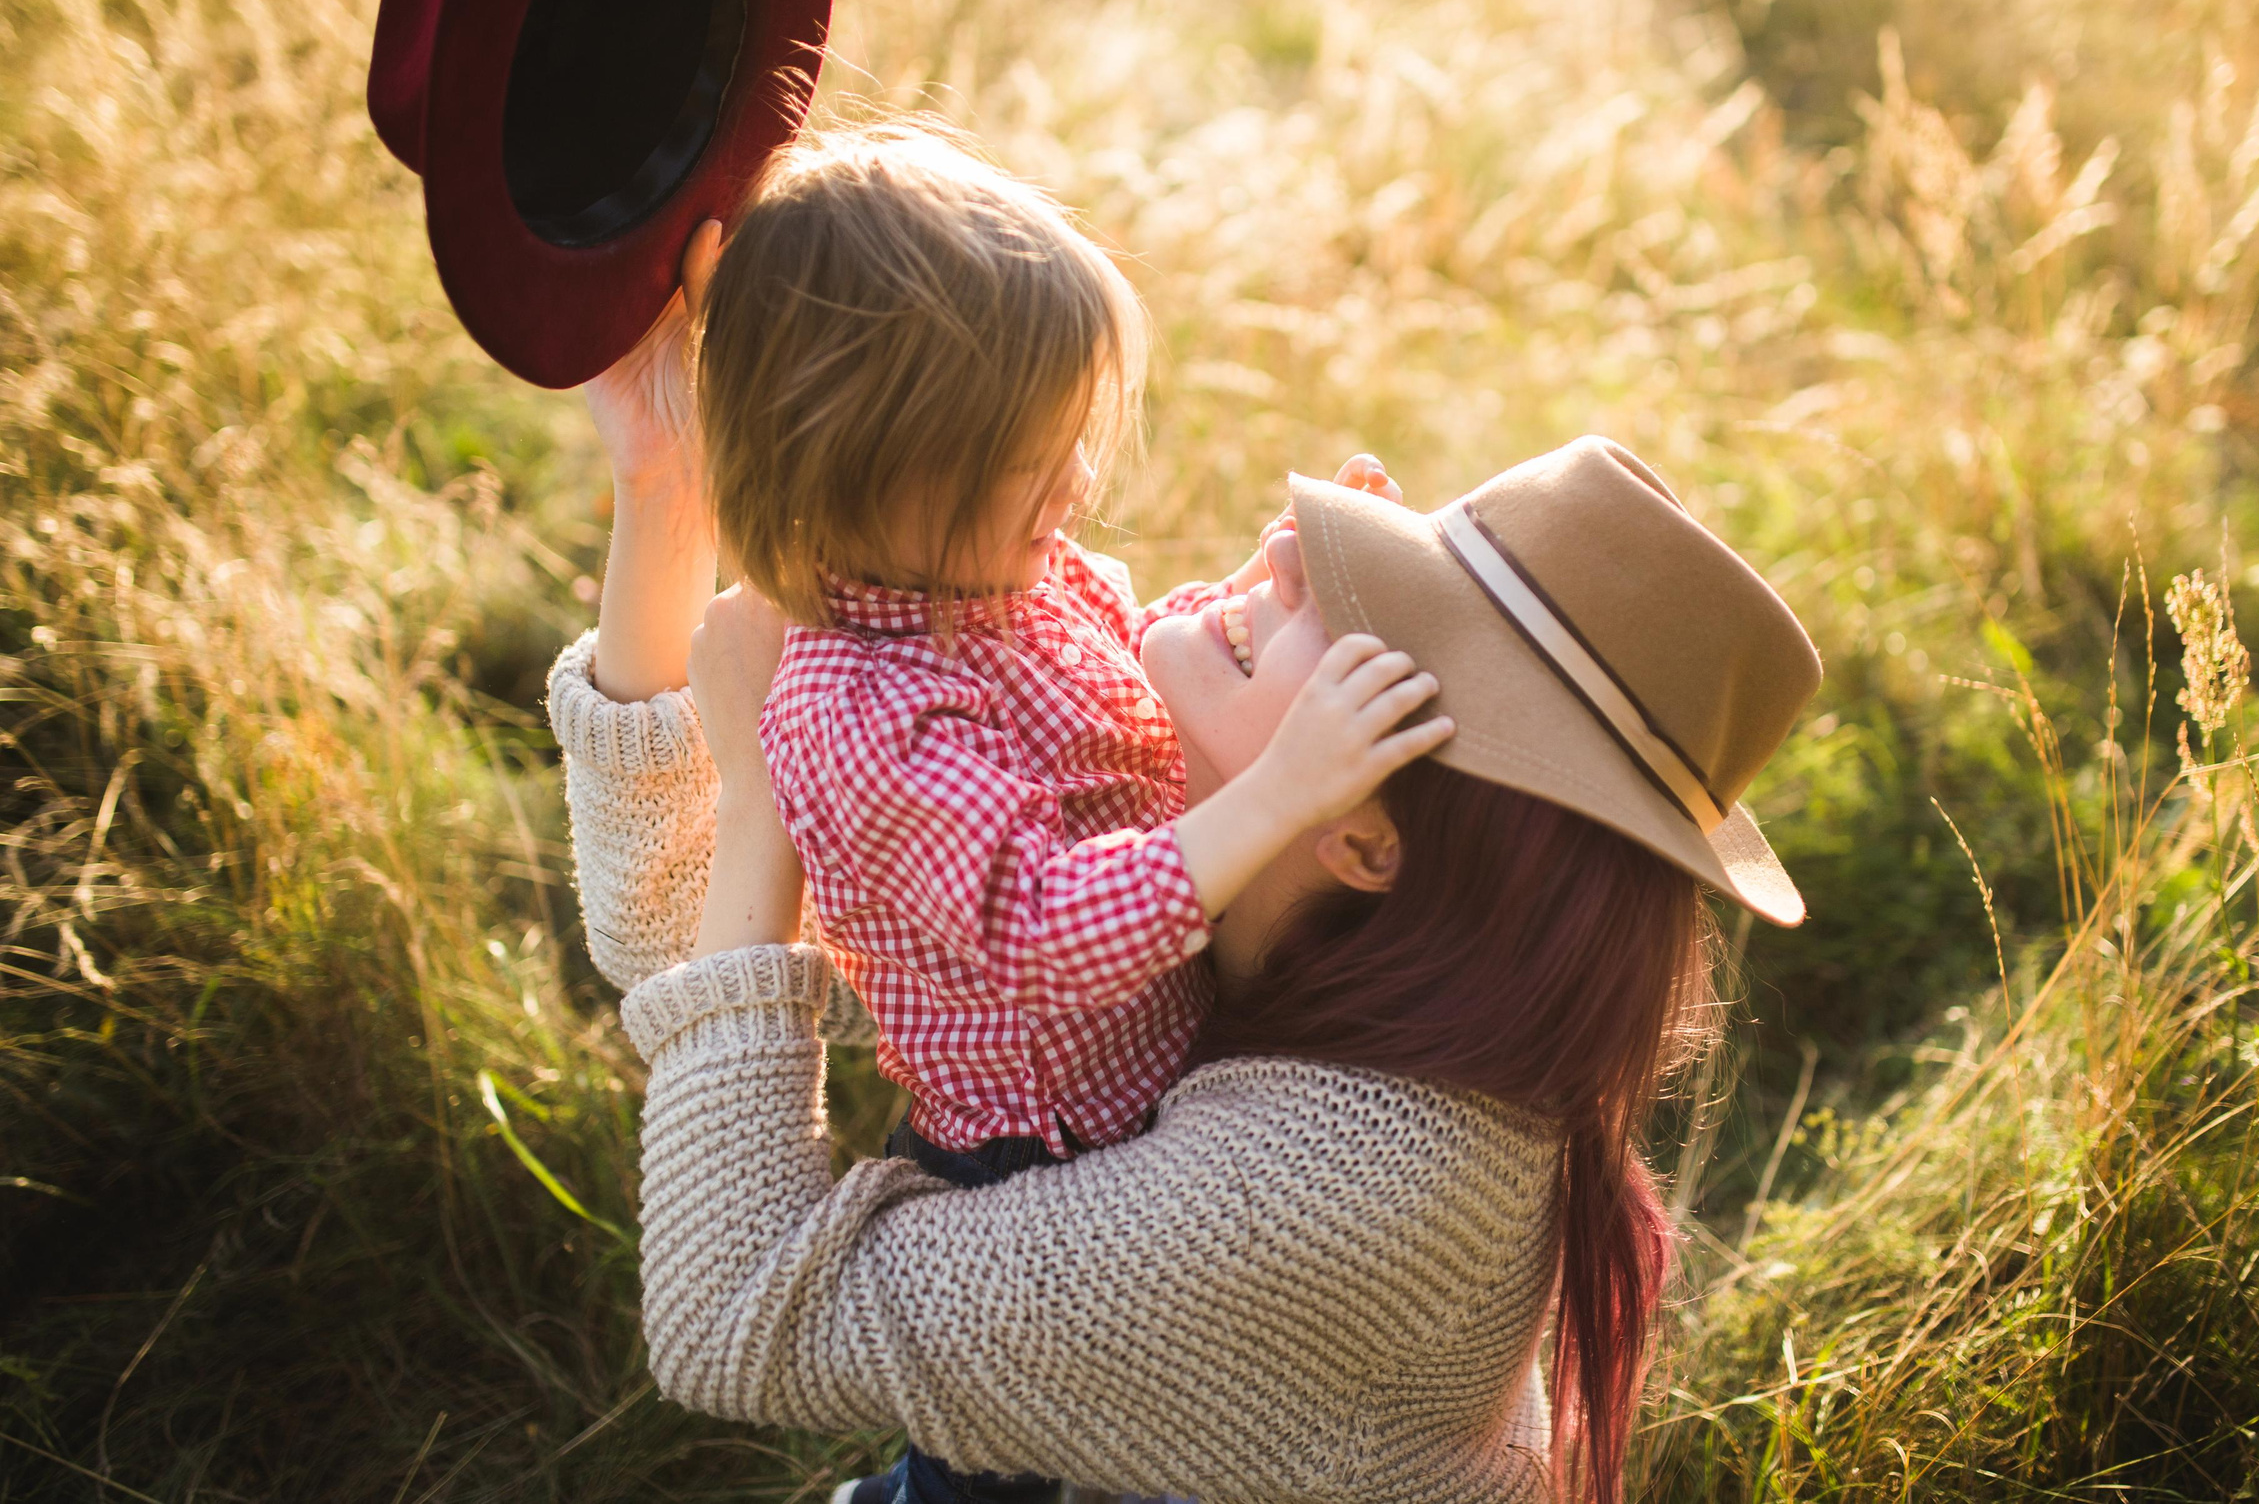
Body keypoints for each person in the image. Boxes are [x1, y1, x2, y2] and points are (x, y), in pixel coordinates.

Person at [557, 248, 1822, 1503]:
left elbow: (732, 1324)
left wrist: (768, 776)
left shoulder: (1330, 1190)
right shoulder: (1238, 858)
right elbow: (667, 931)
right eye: (1354, 543)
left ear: (1370, 833)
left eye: (1355, 600)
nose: (1282, 551)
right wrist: (669, 490)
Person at [667, 123, 1444, 1501]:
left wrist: (1303, 576)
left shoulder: (1009, 578)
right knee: (1013, 1449)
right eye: (1031, 461)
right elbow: (1045, 928)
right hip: (1033, 1152)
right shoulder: (869, 713)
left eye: (1070, 439)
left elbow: (1148, 653)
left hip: (1149, 1074)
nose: (1074, 483)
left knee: (1163, 1411)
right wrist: (1278, 790)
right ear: (866, 468)